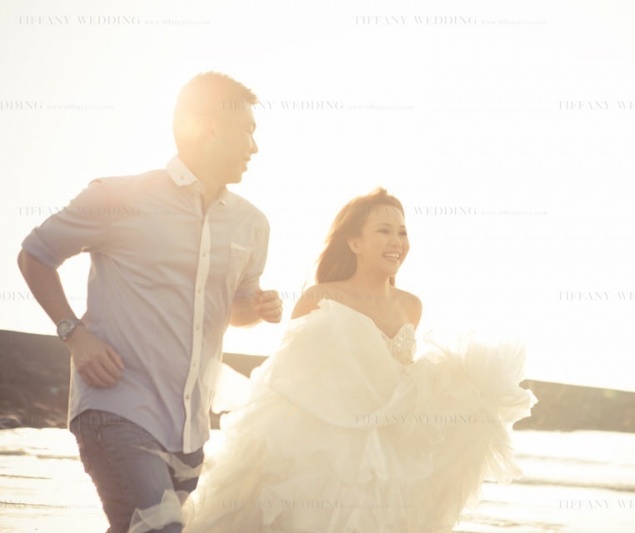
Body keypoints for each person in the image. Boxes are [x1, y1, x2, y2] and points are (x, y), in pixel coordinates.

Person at [17, 72, 283, 533]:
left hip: (190, 430)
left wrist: (256, 309)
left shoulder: (251, 224)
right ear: (209, 128)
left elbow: (234, 310)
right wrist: (74, 335)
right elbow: (35, 255)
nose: (254, 147)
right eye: (247, 132)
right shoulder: (119, 197)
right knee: (160, 529)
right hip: (117, 405)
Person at [184, 188, 536, 532]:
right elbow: (289, 378)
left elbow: (402, 376)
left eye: (402, 232)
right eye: (384, 231)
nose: (396, 242)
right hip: (323, 447)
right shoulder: (320, 297)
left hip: (390, 447)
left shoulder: (411, 306)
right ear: (355, 243)